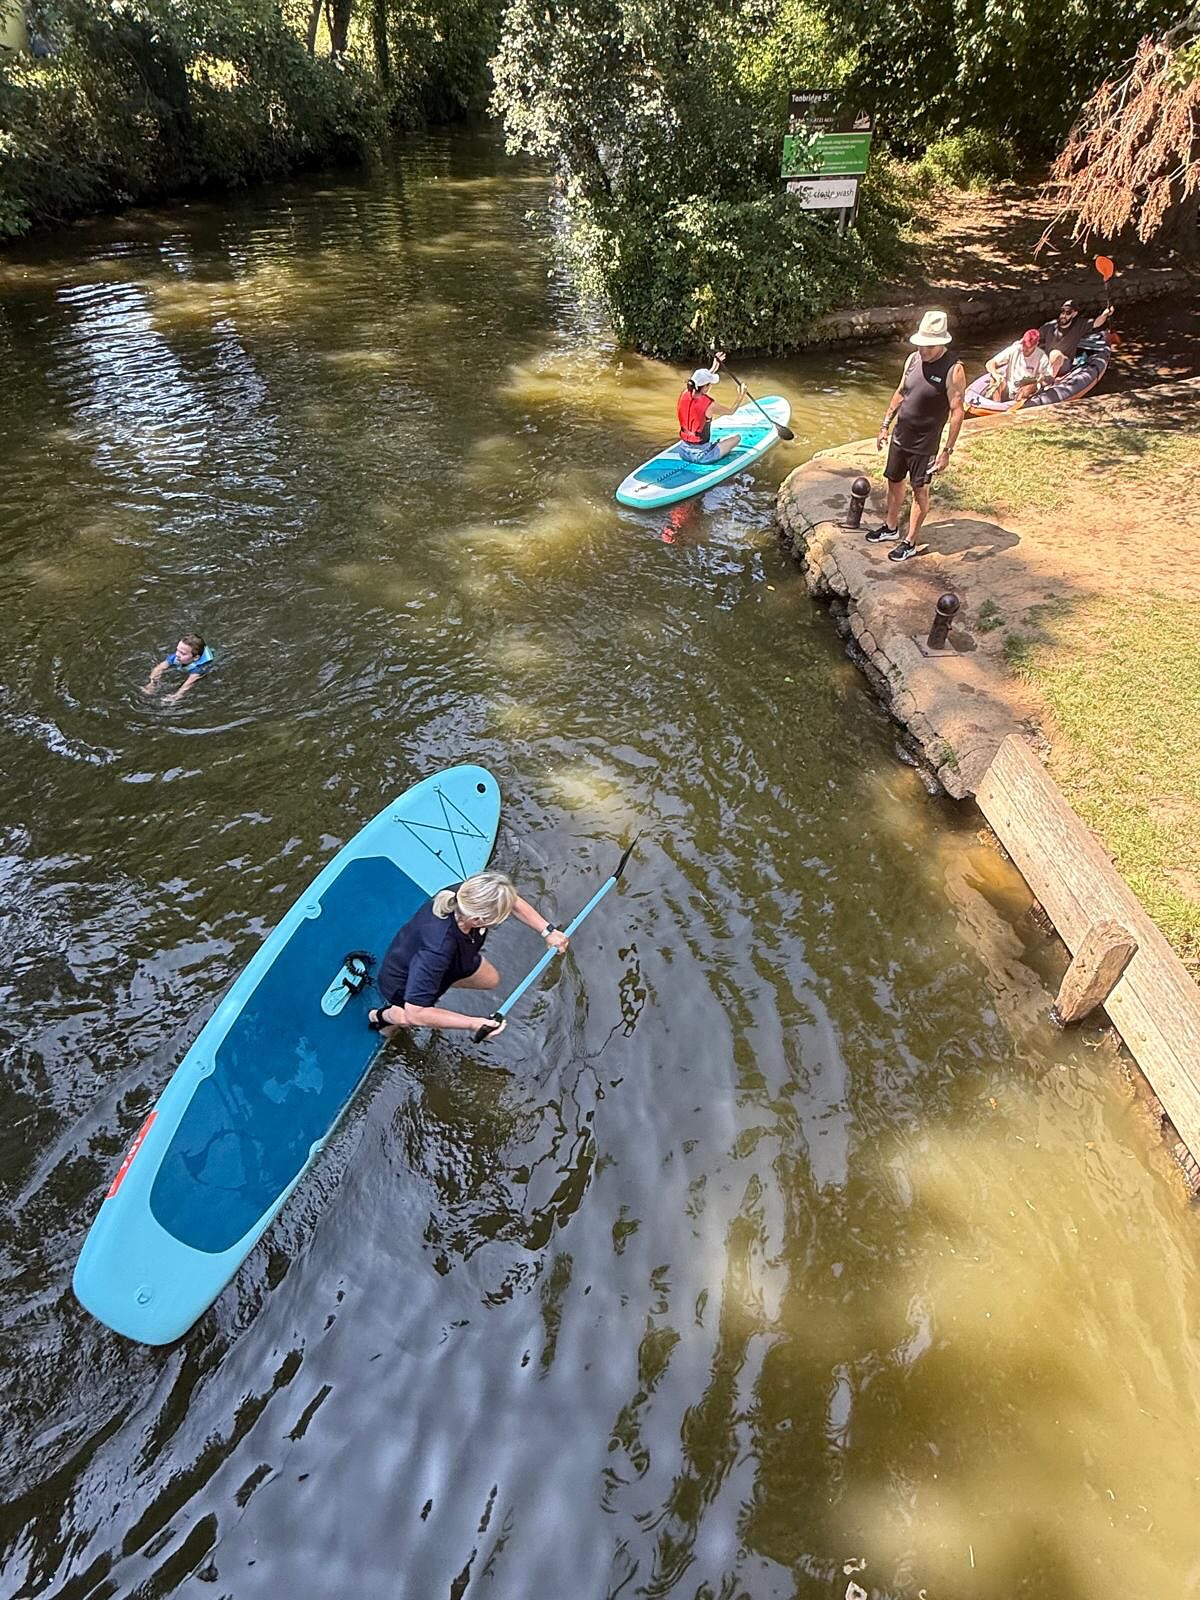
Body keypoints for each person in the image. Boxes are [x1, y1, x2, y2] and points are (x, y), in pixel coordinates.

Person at [367, 871, 568, 1038]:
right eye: (501, 917)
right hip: (402, 982)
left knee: (490, 979)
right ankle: (381, 1016)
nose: (505, 917)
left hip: (453, 961)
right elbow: (415, 1013)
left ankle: (431, 990)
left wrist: (548, 931)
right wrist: (472, 1023)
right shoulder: (437, 949)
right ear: (478, 920)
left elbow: (511, 899)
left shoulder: (468, 894)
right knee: (405, 1019)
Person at [869, 310, 966, 564]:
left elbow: (957, 411)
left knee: (919, 490)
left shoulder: (953, 369)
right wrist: (884, 426)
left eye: (928, 346)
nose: (923, 350)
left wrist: (947, 451)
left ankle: (910, 541)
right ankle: (890, 527)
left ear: (942, 343)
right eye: (920, 344)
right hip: (901, 435)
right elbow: (901, 392)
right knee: (894, 480)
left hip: (926, 443)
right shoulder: (913, 359)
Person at [677, 354, 745, 464]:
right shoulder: (710, 405)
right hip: (703, 456)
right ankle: (713, 450)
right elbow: (731, 411)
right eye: (709, 384)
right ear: (705, 388)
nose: (710, 387)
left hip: (683, 451)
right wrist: (741, 394)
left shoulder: (685, 393)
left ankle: (713, 446)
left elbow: (699, 383)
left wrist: (714, 368)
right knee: (737, 438)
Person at [1039, 298, 1113, 376]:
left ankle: (1049, 381)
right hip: (1047, 363)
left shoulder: (1079, 326)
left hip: (1064, 363)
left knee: (1055, 354)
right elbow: (1035, 336)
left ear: (1074, 314)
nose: (1064, 315)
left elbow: (1096, 323)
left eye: (1068, 312)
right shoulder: (1050, 326)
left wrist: (1105, 314)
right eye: (1062, 311)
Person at [142, 633, 214, 704]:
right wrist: (152, 684)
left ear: (195, 657)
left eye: (183, 653)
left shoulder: (199, 668)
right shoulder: (176, 656)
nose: (177, 654)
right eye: (177, 650)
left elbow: (188, 684)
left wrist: (176, 696)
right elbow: (159, 668)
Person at [985, 328, 1051, 401]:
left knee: (1028, 388)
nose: (1024, 348)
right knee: (994, 380)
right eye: (1024, 345)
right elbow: (990, 363)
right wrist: (995, 374)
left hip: (1026, 387)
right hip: (1010, 386)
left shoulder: (1042, 357)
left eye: (1028, 347)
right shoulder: (1015, 349)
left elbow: (1050, 379)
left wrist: (1042, 378)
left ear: (1036, 344)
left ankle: (1018, 404)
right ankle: (995, 405)